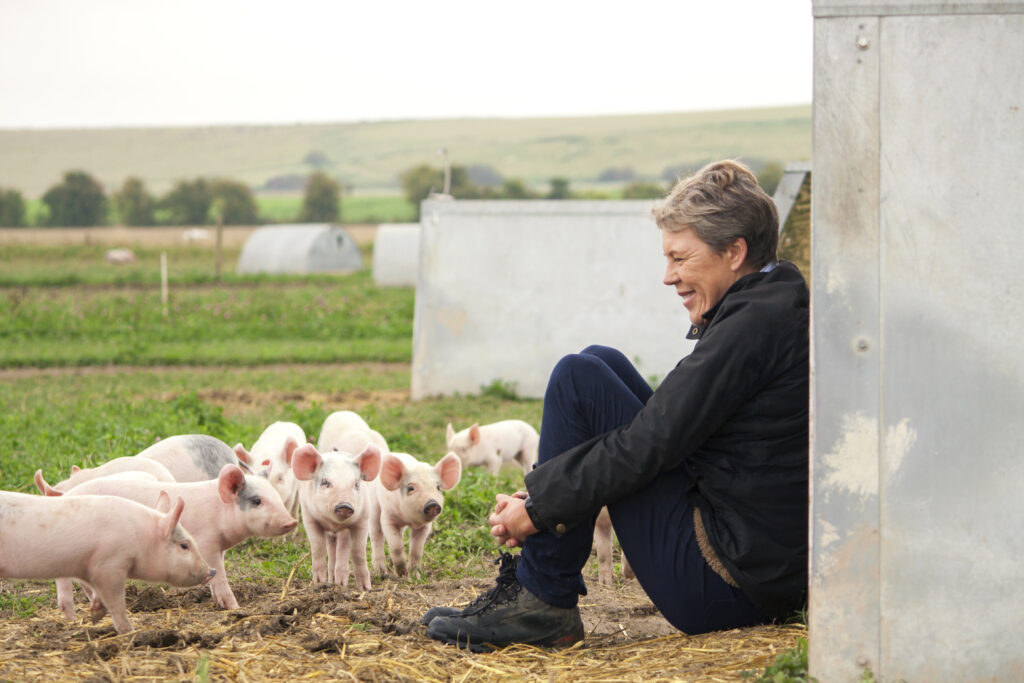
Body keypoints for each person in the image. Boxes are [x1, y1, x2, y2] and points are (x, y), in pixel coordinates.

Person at [423, 159, 809, 652]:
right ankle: (543, 587)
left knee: (577, 379)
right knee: (598, 363)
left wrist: (540, 510)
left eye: (680, 258)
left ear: (735, 251)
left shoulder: (752, 325)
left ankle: (544, 597)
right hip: (761, 566)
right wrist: (547, 496)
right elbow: (667, 430)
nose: (668, 277)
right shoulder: (773, 301)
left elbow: (649, 443)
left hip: (726, 585)